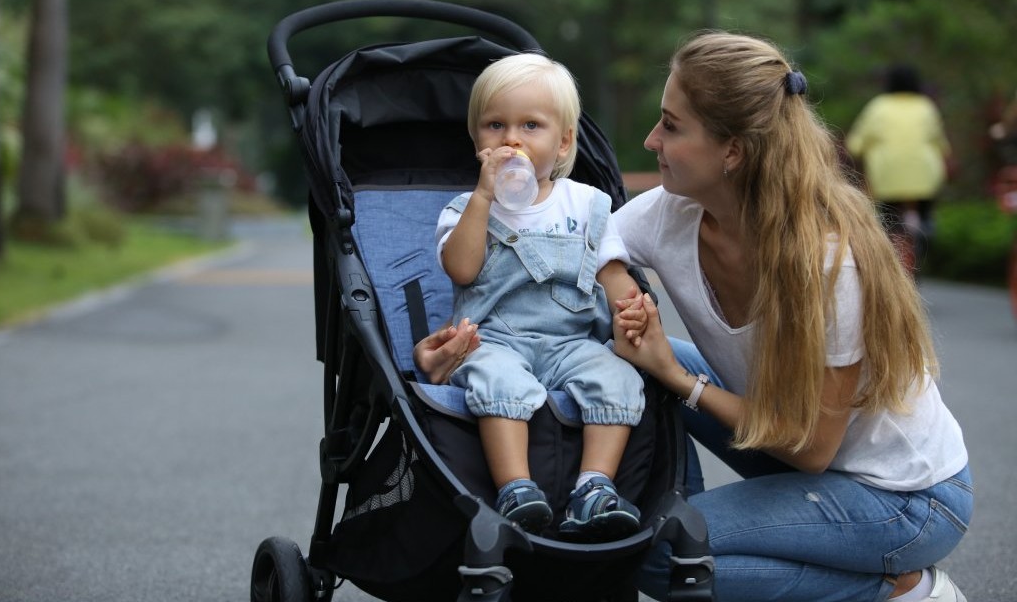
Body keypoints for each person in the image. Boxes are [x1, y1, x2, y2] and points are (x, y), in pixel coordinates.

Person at [417, 32, 972, 602]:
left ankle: (903, 590)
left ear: (732, 152)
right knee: (628, 365)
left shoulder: (830, 266)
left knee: (659, 553)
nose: (650, 139)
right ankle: (687, 513)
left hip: (902, 495)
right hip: (796, 456)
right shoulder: (669, 214)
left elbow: (810, 448)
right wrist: (452, 356)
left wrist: (679, 378)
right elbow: (569, 255)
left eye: (671, 126)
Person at [432, 52, 647, 542]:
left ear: (563, 141)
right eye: (495, 125)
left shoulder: (587, 204)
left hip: (572, 342)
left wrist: (632, 310)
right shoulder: (465, 208)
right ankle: (515, 488)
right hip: (496, 338)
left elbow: (612, 274)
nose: (511, 139)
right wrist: (483, 198)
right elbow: (461, 269)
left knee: (616, 377)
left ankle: (594, 487)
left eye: (531, 125)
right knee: (497, 376)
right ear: (476, 140)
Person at [846, 63, 953, 275]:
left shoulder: (878, 107)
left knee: (889, 222)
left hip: (887, 180)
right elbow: (942, 145)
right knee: (925, 213)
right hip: (924, 180)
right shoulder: (926, 107)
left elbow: (855, 145)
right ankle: (925, 228)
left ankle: (891, 256)